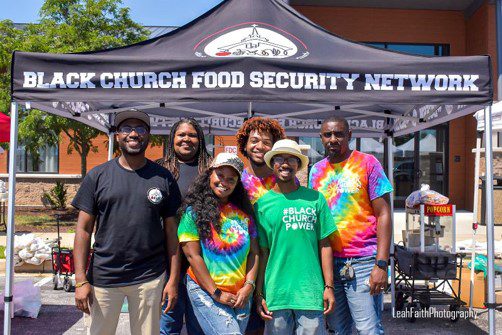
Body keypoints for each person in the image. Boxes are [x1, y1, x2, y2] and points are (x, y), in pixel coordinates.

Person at [72, 109, 182, 335]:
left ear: (148, 135)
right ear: (118, 135)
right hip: (104, 275)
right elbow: (83, 230)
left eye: (140, 128)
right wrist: (81, 280)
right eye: (126, 128)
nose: (134, 133)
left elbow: (173, 233)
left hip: (149, 276)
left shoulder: (163, 178)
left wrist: (172, 280)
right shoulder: (97, 176)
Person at [309, 117, 393, 335]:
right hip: (328, 263)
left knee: (368, 329)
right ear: (321, 138)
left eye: (339, 134)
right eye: (328, 135)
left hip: (364, 261)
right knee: (337, 330)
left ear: (350, 135)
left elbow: (384, 213)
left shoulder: (368, 163)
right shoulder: (316, 171)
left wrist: (381, 264)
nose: (333, 139)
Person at [254, 139, 336, 335]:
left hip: (310, 292)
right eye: (279, 159)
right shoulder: (261, 205)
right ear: (272, 164)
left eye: (291, 159)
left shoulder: (315, 199)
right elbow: (262, 253)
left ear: (298, 165)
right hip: (276, 293)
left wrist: (329, 286)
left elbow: (325, 245)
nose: (285, 164)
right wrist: (259, 293)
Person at [178, 153, 260, 335]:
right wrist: (216, 293)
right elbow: (192, 255)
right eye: (220, 175)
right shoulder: (192, 213)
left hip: (240, 294)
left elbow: (254, 253)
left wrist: (249, 286)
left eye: (231, 179)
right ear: (210, 175)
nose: (224, 182)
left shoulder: (245, 215)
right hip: (206, 291)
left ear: (237, 183)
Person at [158, 118, 212, 335]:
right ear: (173, 138)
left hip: (204, 258)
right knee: (168, 324)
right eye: (182, 135)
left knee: (200, 324)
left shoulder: (211, 168)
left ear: (200, 139)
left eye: (192, 135)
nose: (187, 139)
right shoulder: (159, 169)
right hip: (167, 259)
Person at [236, 117, 287, 334]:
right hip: (242, 266)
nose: (259, 146)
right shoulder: (234, 181)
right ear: (244, 145)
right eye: (254, 140)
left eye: (267, 142)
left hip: (277, 266)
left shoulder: (286, 181)